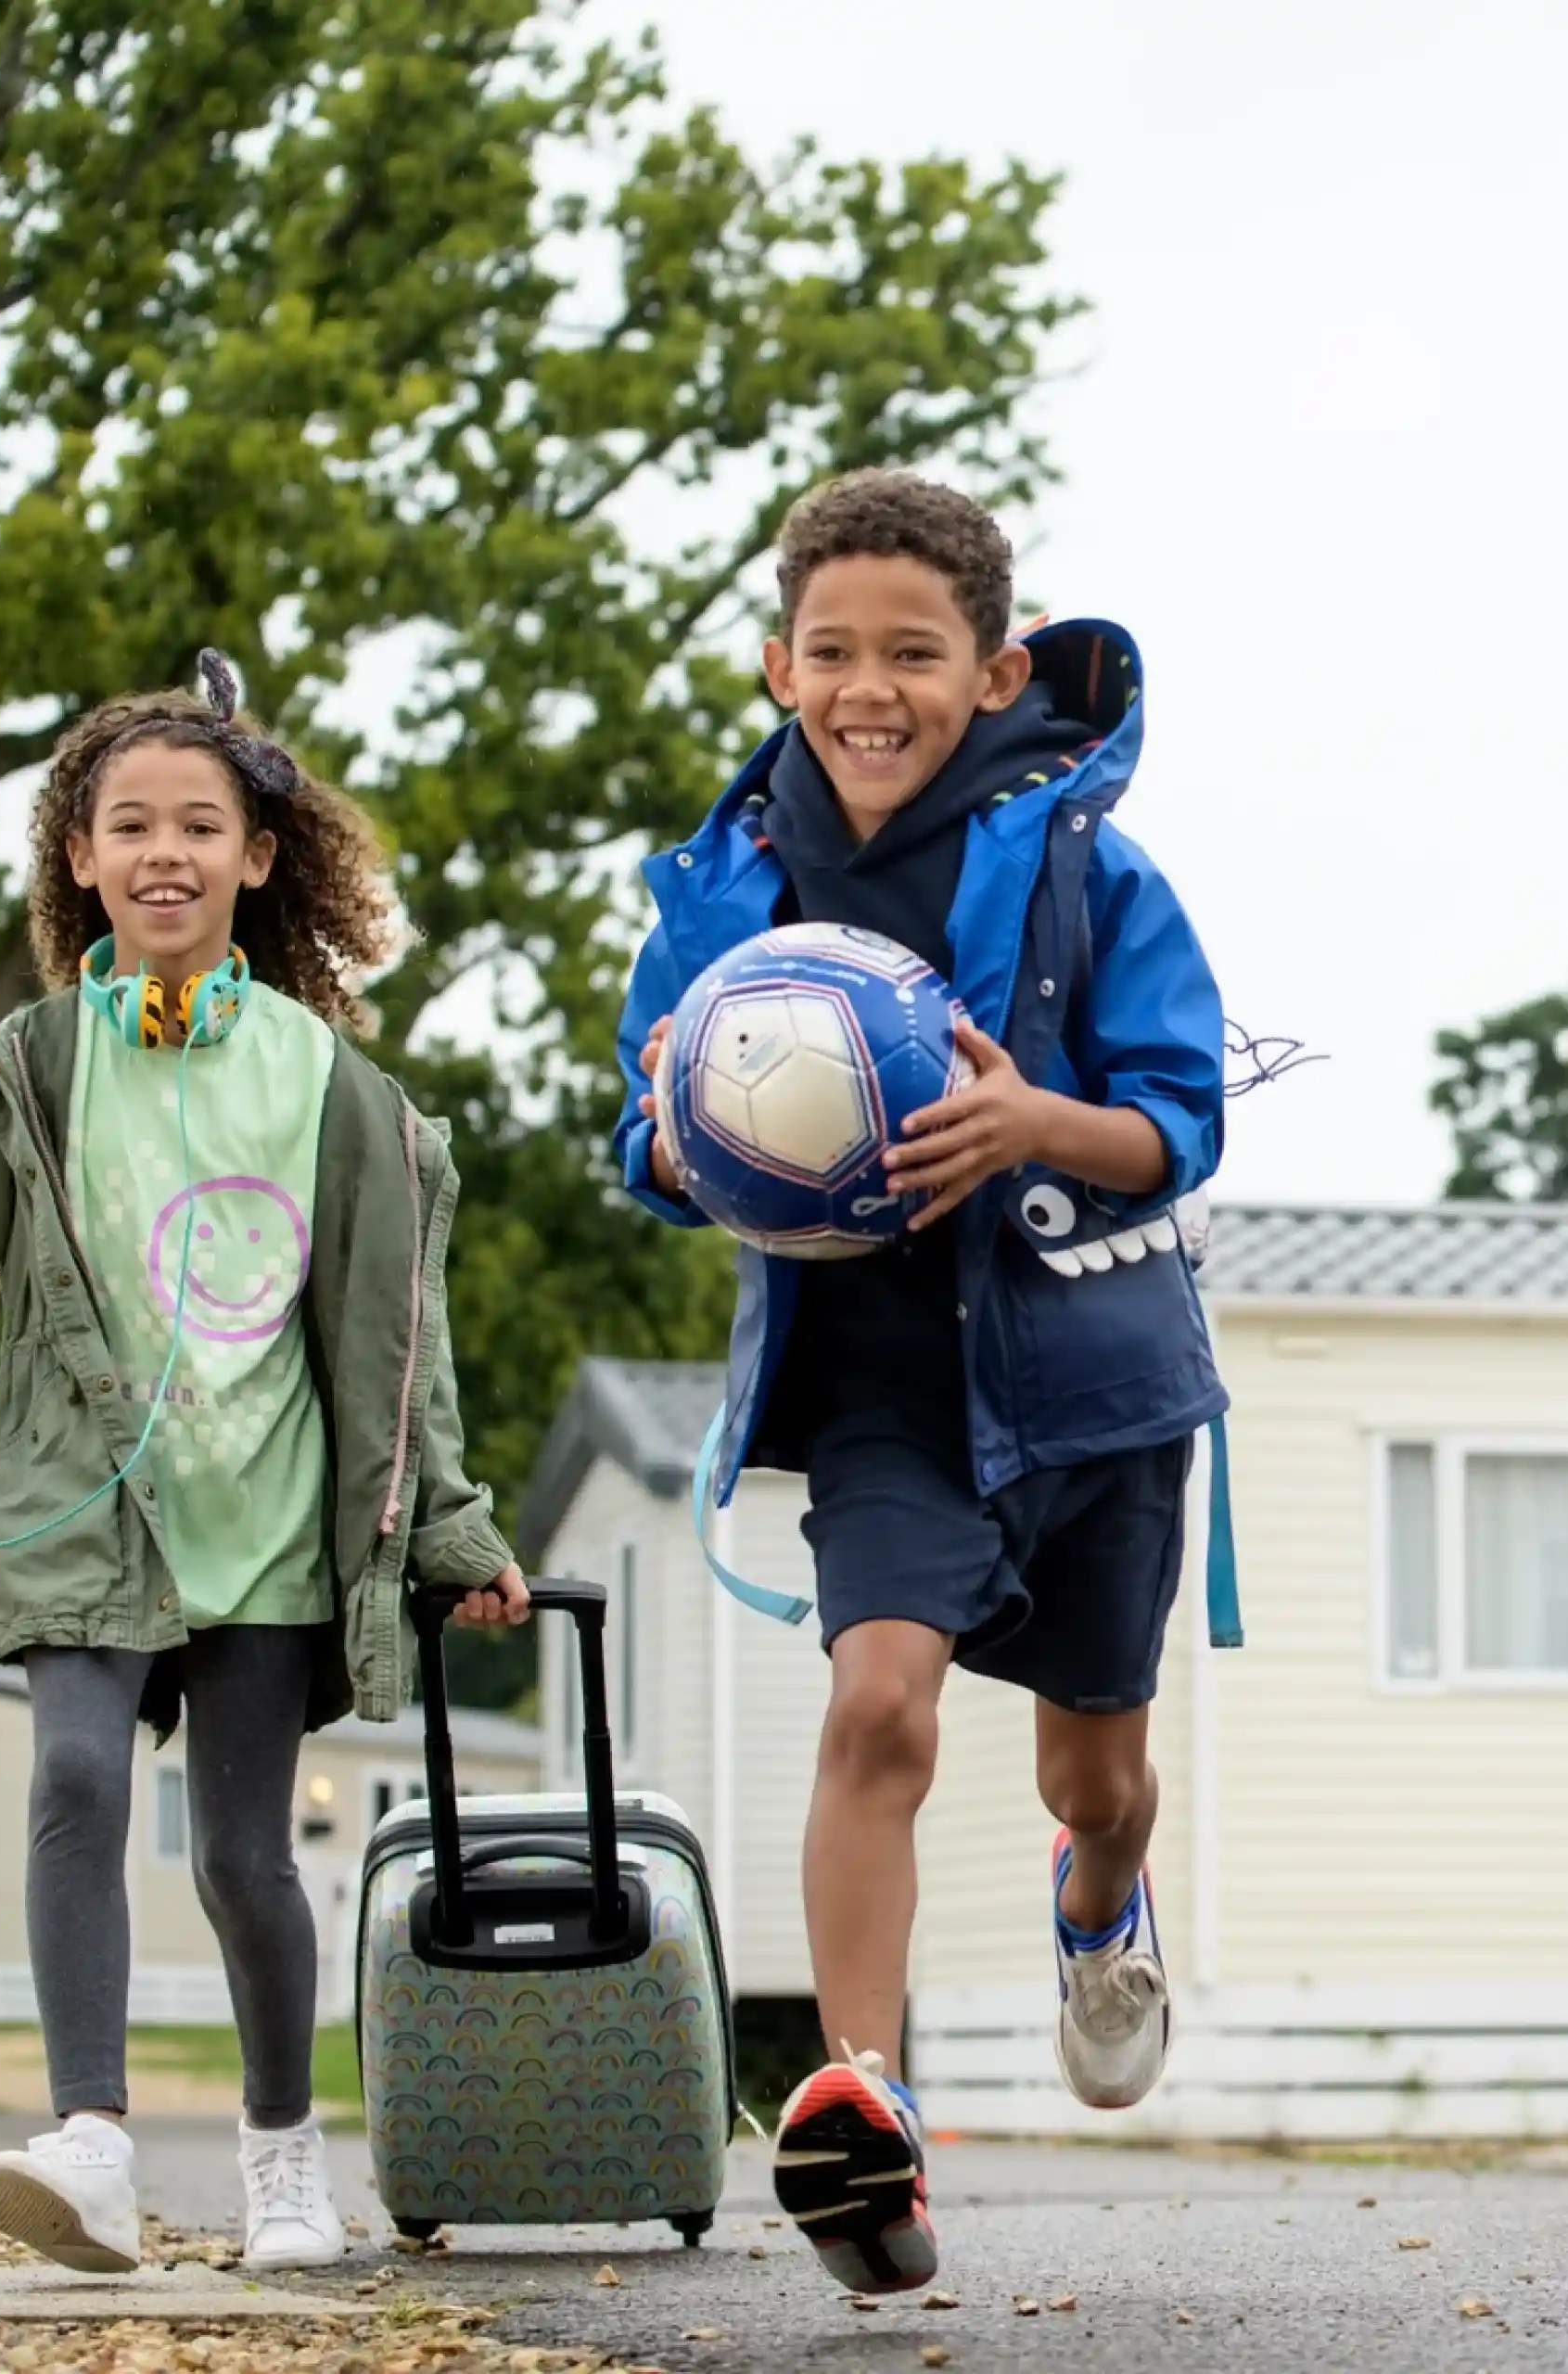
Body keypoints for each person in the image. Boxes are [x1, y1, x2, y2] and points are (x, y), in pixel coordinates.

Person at [0, 656, 528, 2276]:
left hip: (263, 1532)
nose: (166, 852)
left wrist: (449, 1534)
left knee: (247, 1858)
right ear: (81, 857)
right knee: (70, 1778)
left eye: (202, 823)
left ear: (260, 857)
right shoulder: (31, 1071)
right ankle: (94, 2144)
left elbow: (403, 1345)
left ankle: (279, 2161)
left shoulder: (339, 1088)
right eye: (132, 826)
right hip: (80, 1513)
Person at [613, 470, 1226, 2294]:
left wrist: (1033, 1120)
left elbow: (1173, 1123)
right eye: (832, 651)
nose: (868, 686)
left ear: (992, 666)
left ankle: (1097, 1900)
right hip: (877, 1381)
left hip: (1088, 1380)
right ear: (777, 665)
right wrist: (667, 1124)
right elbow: (647, 1141)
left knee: (1090, 1767)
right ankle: (861, 2105)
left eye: (912, 651)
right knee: (877, 1705)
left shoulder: (1087, 869)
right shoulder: (720, 891)